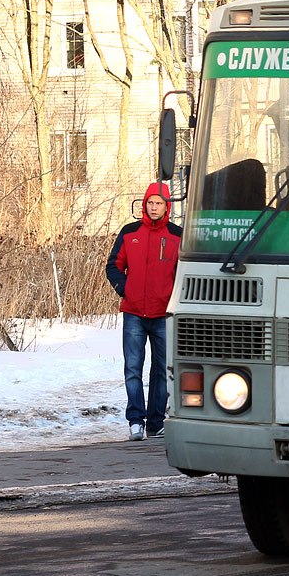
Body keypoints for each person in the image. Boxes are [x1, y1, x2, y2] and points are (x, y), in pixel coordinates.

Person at [105, 183, 181, 441]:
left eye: (158, 203)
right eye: (150, 203)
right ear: (144, 205)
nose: (153, 207)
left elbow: (183, 274)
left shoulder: (177, 235)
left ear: (166, 206)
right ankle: (135, 421)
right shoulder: (130, 233)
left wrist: (173, 300)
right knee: (132, 369)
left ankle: (155, 422)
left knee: (161, 370)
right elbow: (113, 266)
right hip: (134, 313)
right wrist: (126, 290)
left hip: (163, 313)